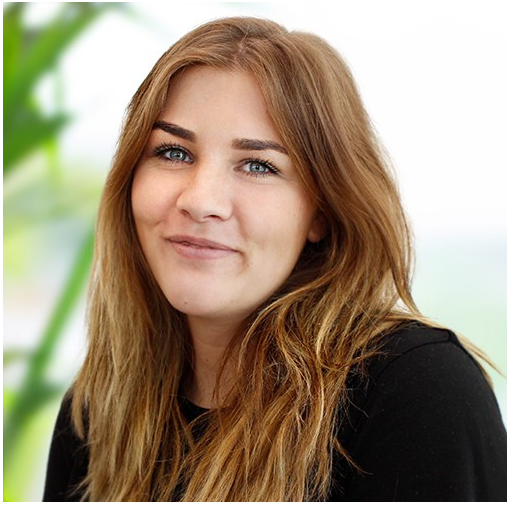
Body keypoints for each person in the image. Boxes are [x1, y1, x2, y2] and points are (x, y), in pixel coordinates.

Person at [43, 16, 507, 502]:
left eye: (258, 165)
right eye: (174, 152)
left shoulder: (418, 391)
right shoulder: (97, 409)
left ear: (322, 212)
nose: (200, 201)